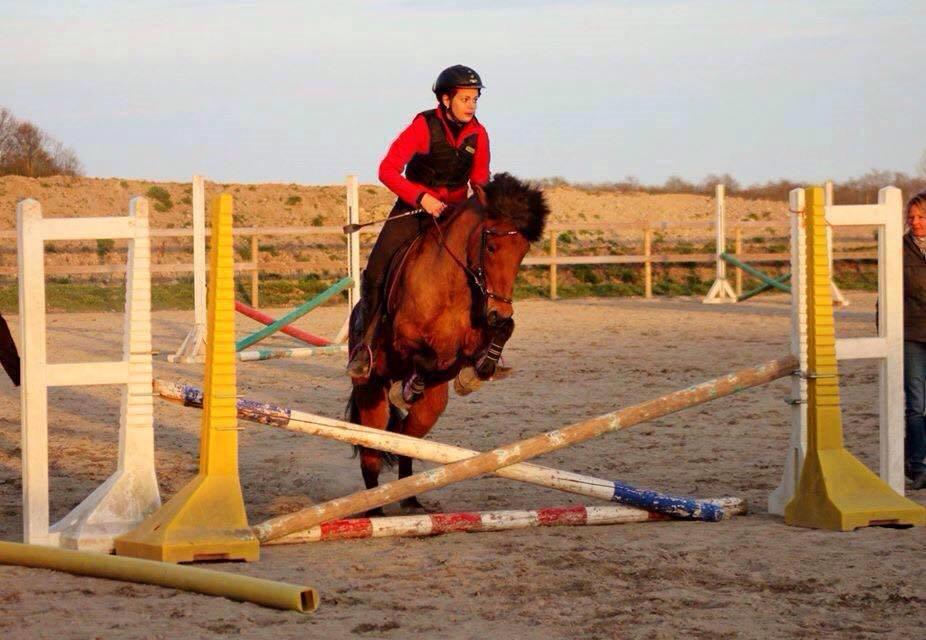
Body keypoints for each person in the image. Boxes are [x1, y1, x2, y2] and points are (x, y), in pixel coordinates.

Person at [346, 65, 491, 378]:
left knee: (485, 268)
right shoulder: (423, 127)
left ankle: (483, 349)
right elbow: (387, 170)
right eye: (465, 98)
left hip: (453, 216)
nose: (471, 105)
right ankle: (366, 347)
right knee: (375, 272)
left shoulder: (478, 135)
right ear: (445, 98)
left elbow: (479, 179)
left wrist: (486, 205)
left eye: (475, 99)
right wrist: (421, 197)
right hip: (414, 210)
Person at [903, 189, 926, 489]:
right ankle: (917, 465)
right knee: (916, 404)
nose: (916, 222)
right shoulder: (899, 248)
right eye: (911, 217)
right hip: (911, 332)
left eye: (921, 216)